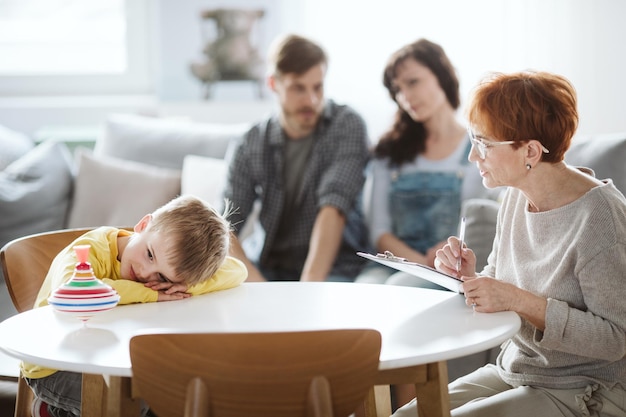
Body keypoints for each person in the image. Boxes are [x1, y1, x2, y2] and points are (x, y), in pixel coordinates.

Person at [393, 71, 626, 417]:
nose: (474, 156)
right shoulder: (516, 197)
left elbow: (614, 337)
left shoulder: (599, 215)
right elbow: (501, 282)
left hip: (584, 387)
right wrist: (469, 277)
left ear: (530, 150)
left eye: (484, 144)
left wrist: (519, 300)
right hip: (517, 370)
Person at [26, 194, 248, 417]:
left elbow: (238, 270)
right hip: (54, 365)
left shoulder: (162, 266)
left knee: (167, 393)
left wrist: (183, 286)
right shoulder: (91, 249)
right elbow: (71, 291)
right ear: (143, 225)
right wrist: (150, 293)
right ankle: (53, 410)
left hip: (108, 358)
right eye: (149, 255)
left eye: (162, 277)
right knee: (136, 404)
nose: (144, 273)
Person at [224, 33, 370, 282]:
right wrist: (260, 290)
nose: (311, 100)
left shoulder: (346, 126)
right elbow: (225, 227)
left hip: (333, 269)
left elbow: (333, 208)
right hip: (267, 266)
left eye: (317, 87)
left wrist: (304, 293)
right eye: (298, 88)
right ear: (273, 84)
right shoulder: (250, 143)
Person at [355, 38, 497, 288]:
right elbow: (380, 233)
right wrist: (421, 264)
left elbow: (476, 225)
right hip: (391, 265)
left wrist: (444, 261)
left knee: (400, 288)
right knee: (364, 290)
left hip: (452, 269)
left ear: (442, 76)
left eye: (413, 82)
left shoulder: (478, 148)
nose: (405, 96)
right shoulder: (387, 153)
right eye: (397, 89)